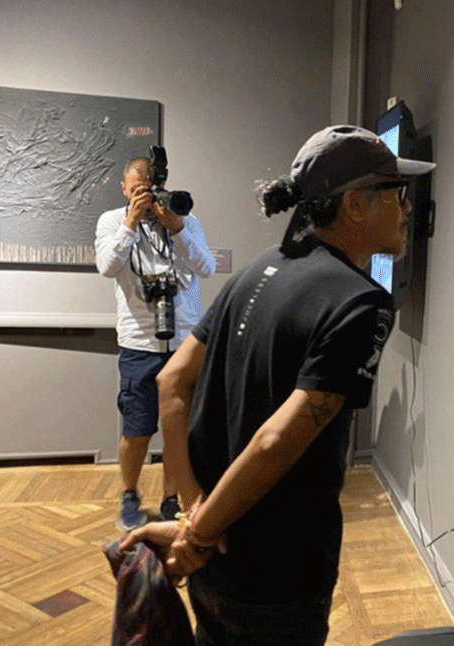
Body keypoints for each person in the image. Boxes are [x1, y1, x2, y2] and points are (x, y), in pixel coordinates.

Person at [120, 125, 435, 646]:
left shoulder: (258, 268)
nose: (406, 208)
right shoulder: (361, 303)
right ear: (355, 204)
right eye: (396, 192)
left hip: (216, 550)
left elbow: (172, 381)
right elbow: (274, 441)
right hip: (278, 570)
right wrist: (198, 532)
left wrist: (196, 515)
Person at [96, 156, 216, 531]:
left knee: (179, 430)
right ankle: (129, 494)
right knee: (137, 429)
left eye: (149, 190)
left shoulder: (185, 220)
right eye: (136, 191)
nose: (144, 198)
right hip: (139, 342)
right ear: (124, 190)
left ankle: (171, 497)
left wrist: (177, 229)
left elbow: (207, 267)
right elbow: (107, 266)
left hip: (185, 341)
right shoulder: (112, 221)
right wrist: (131, 223)